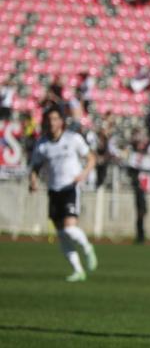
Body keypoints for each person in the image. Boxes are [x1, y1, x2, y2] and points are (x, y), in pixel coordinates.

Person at [28, 108, 97, 282]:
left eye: (55, 118)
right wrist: (33, 180)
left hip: (70, 188)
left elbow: (91, 158)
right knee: (61, 234)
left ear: (61, 121)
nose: (52, 122)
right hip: (54, 190)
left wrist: (84, 174)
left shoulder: (72, 139)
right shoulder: (42, 144)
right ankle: (78, 270)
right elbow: (35, 166)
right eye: (49, 119)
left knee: (69, 229)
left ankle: (87, 247)